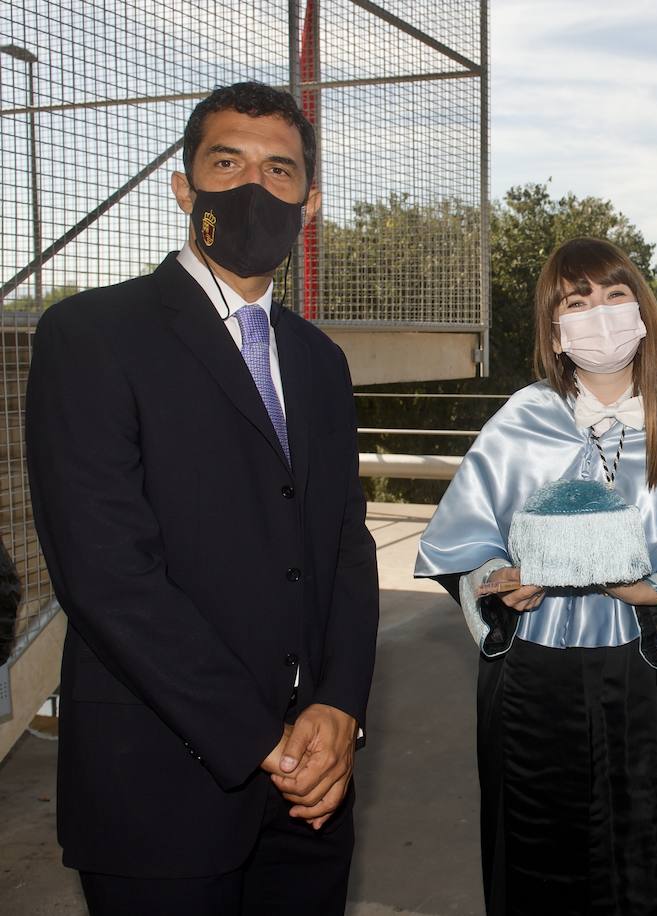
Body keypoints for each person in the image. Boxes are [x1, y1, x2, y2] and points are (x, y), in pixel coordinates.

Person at [27, 81, 379, 915]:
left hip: (311, 794)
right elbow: (108, 574)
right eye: (228, 163)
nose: (253, 187)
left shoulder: (320, 362)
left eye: (280, 170)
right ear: (186, 187)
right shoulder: (90, 337)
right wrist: (263, 741)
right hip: (160, 791)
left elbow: (344, 545)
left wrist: (339, 705)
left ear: (310, 200)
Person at [415, 237, 657, 916]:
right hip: (534, 678)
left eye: (615, 295)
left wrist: (654, 591)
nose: (600, 314)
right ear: (555, 329)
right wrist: (499, 577)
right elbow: (463, 539)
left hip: (651, 678)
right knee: (539, 868)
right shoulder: (519, 423)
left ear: (641, 310)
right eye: (577, 301)